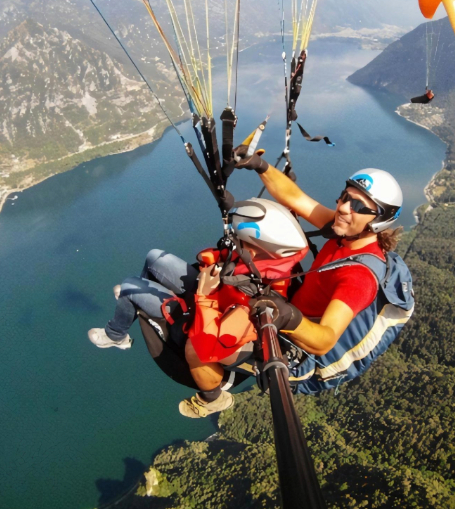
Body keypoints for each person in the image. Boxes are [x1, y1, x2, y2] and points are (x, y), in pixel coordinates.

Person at [88, 198, 309, 418]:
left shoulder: (259, 301)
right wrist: (216, 260)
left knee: (128, 288)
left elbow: (207, 345)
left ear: (253, 250)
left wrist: (204, 295)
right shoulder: (258, 262)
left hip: (200, 322)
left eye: (240, 241)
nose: (234, 242)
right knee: (154, 257)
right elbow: (225, 257)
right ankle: (140, 296)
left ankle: (116, 334)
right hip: (215, 294)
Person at [231, 153, 415, 394]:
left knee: (202, 345)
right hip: (289, 315)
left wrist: (288, 317)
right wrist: (261, 165)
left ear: (377, 222)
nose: (343, 207)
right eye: (346, 197)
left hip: (296, 353)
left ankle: (213, 394)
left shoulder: (359, 277)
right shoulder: (346, 234)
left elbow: (324, 340)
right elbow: (297, 198)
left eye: (358, 206)